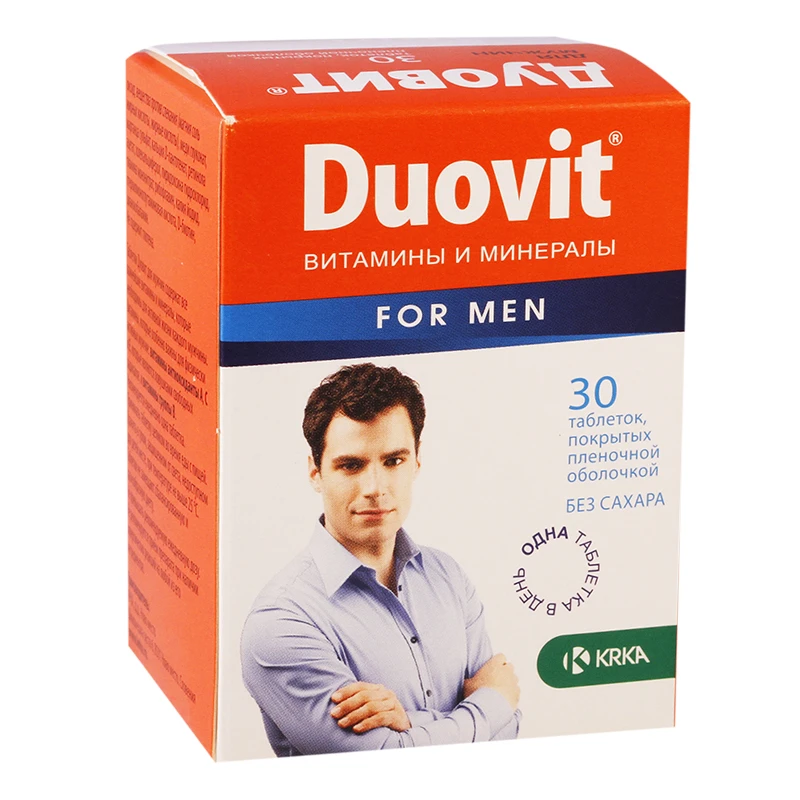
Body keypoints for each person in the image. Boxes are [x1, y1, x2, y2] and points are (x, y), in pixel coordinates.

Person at [241, 363, 521, 756]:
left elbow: (509, 730)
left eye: (393, 461)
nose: (375, 488)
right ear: (315, 472)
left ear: (417, 462)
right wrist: (492, 702)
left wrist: (409, 724)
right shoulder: (281, 622)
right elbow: (382, 763)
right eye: (351, 465)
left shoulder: (448, 577)